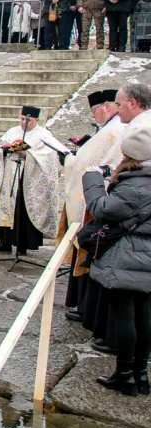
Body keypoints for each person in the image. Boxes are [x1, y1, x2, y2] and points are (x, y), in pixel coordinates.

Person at [81, 126, 151, 397]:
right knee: (144, 317)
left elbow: (102, 208)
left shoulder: (135, 187)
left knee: (124, 318)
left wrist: (93, 180)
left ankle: (124, 376)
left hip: (126, 258)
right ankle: (141, 375)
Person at [63, 90, 125, 323]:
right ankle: (83, 305)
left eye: (94, 110)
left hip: (98, 204)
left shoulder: (115, 130)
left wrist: (69, 160)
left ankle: (87, 308)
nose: (93, 115)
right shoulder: (110, 129)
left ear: (107, 106)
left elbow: (95, 166)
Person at [0, 106, 65, 256]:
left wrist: (28, 154)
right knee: (6, 207)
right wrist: (6, 149)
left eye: (28, 120)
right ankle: (4, 242)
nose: (24, 122)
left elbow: (49, 157)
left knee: (22, 210)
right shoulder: (13, 131)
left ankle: (22, 245)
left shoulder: (44, 135)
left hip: (29, 179)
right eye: (22, 119)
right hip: (10, 175)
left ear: (37, 120)